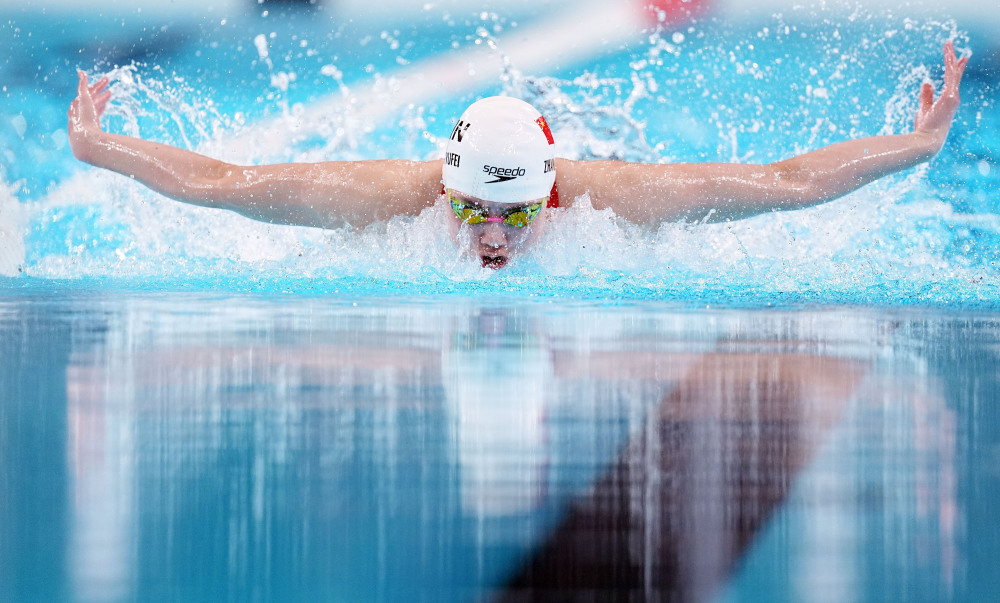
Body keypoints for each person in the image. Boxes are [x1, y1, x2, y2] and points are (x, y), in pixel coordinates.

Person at [68, 42, 968, 270]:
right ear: (445, 187)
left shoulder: (610, 201)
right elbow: (225, 185)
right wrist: (96, 148)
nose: (492, 237)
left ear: (551, 193)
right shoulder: (386, 198)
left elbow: (786, 183)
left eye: (515, 213)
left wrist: (917, 145)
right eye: (473, 210)